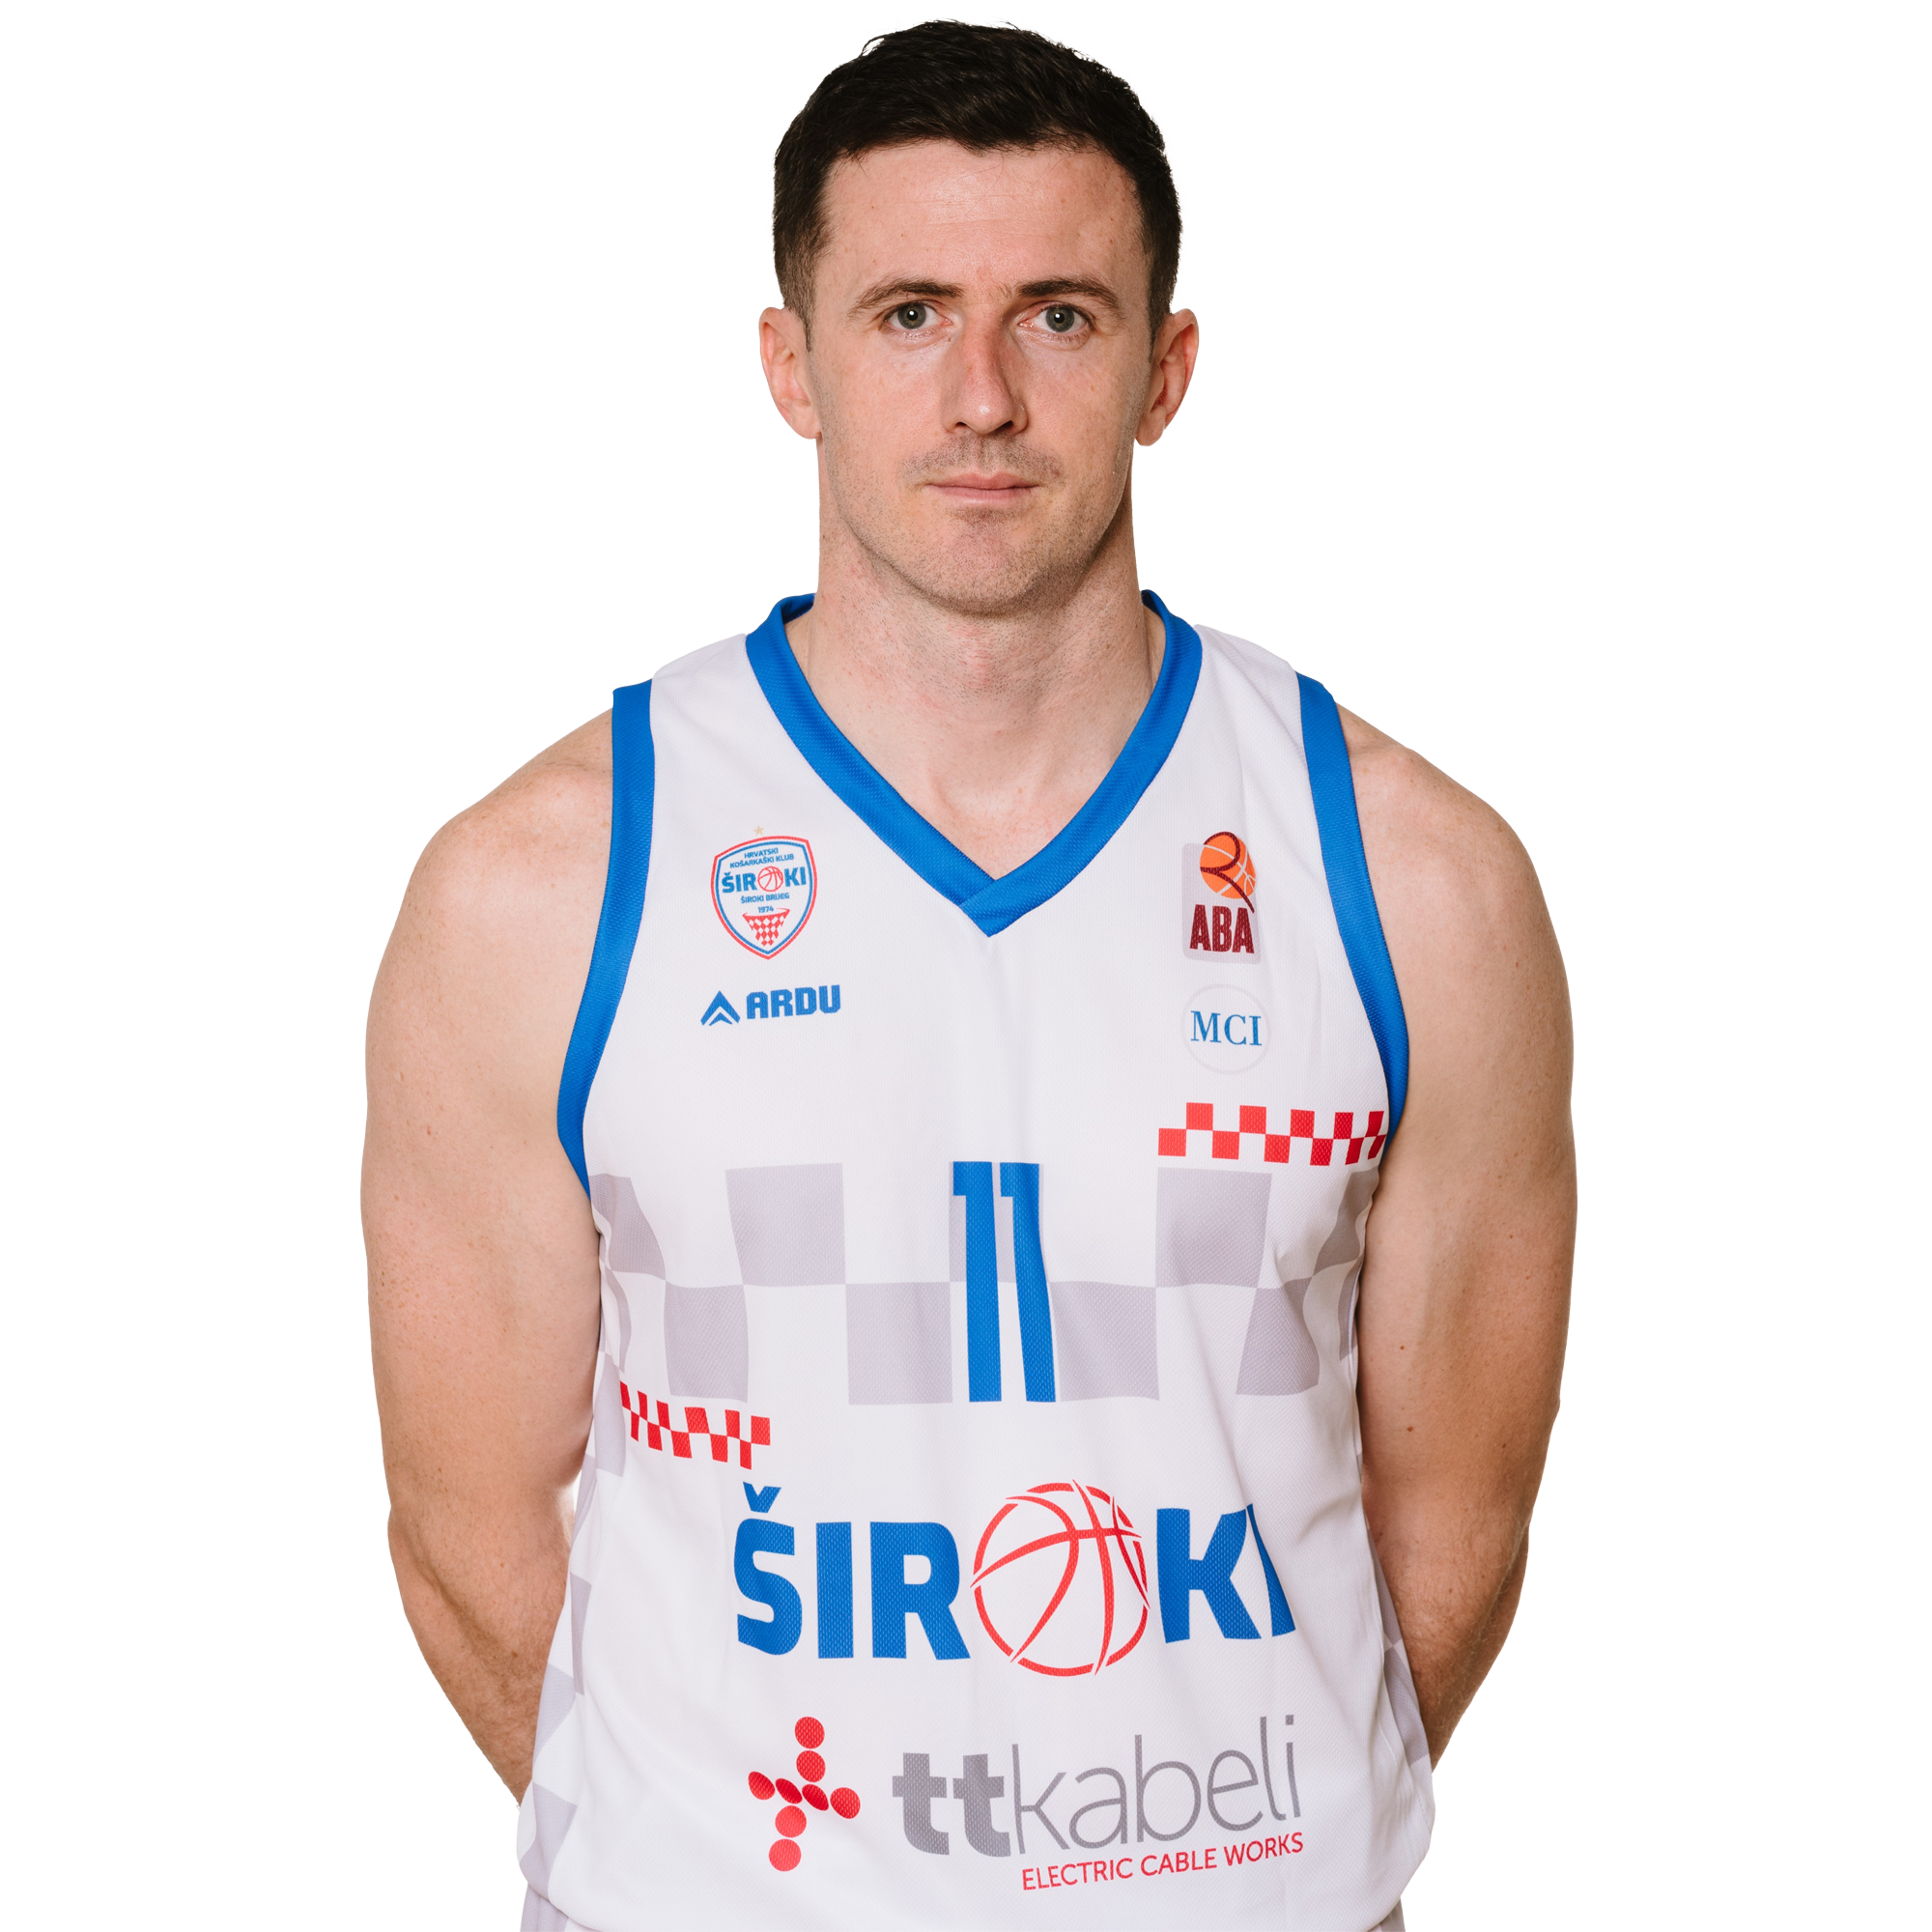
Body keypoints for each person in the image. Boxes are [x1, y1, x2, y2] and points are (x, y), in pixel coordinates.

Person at [363, 20, 1573, 1932]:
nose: (984, 396)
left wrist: (1218, 1871)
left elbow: (1462, 1524)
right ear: (794, 364)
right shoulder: (542, 888)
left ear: (1167, 368)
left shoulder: (1419, 885)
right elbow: (464, 1533)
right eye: (910, 313)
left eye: (1060, 318)